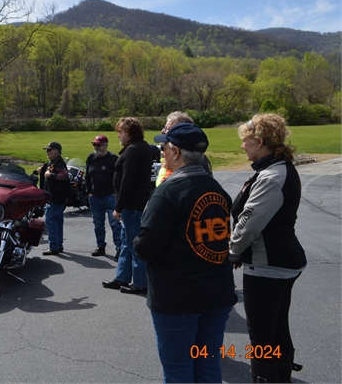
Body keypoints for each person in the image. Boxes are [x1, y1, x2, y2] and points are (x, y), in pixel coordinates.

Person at [134, 122, 237, 383]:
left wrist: (136, 240)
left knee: (178, 371)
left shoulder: (167, 192)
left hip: (178, 298)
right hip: (217, 294)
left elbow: (146, 247)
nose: (162, 153)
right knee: (208, 367)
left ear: (176, 152)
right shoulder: (217, 189)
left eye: (165, 148)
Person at [230, 114, 306, 383]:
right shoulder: (277, 169)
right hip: (280, 261)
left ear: (260, 142)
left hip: (269, 265)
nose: (243, 146)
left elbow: (249, 223)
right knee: (276, 328)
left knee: (262, 335)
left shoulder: (272, 175)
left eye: (246, 141)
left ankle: (266, 377)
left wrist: (232, 252)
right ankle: (280, 376)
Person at [102, 117, 152, 294]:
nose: (118, 135)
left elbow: (127, 180)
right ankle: (122, 277)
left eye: (120, 132)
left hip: (132, 204)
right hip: (135, 203)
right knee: (126, 241)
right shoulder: (142, 147)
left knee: (133, 243)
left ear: (129, 132)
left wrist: (119, 207)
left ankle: (140, 282)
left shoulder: (133, 150)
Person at [85, 135, 122, 259]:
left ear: (105, 146)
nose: (96, 147)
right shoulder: (91, 158)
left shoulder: (113, 159)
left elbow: (119, 177)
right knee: (98, 224)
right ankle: (100, 246)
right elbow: (87, 176)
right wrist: (88, 192)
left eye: (99, 145)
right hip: (95, 196)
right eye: (94, 144)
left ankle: (119, 247)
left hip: (110, 196)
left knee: (115, 223)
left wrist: (115, 192)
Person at [156, 111, 212, 185]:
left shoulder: (183, 160)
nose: (162, 132)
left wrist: (163, 166)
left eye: (167, 129)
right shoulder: (198, 157)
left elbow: (163, 186)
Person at [37, 141, 71, 255]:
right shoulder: (53, 162)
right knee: (57, 221)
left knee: (50, 221)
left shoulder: (59, 163)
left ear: (56, 151)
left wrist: (50, 175)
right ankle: (58, 245)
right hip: (57, 197)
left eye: (49, 150)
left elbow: (64, 175)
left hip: (56, 198)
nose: (47, 152)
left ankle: (53, 246)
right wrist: (41, 171)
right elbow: (48, 170)